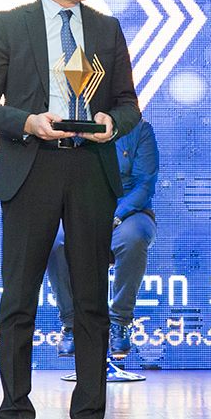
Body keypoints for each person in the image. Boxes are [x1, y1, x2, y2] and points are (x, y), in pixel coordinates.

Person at [0, 0, 140, 419]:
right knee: (19, 300)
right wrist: (27, 121)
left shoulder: (106, 28)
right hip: (32, 167)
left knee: (91, 302)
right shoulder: (10, 25)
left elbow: (129, 104)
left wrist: (113, 122)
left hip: (90, 170)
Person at [47, 118, 158, 359]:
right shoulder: (73, 126)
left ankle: (120, 322)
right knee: (55, 241)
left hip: (129, 212)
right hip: (81, 209)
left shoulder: (139, 130)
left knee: (132, 237)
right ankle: (71, 323)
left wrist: (114, 216)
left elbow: (145, 184)